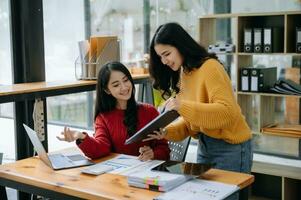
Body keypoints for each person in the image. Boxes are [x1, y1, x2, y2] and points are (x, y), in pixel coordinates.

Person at [146, 22, 253, 174]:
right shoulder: (185, 73)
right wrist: (165, 132)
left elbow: (227, 112)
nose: (164, 61)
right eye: (160, 57)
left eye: (167, 54)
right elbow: (192, 123)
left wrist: (181, 106)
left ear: (181, 46)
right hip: (205, 145)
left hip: (231, 147)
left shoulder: (210, 67)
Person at [57, 61, 170, 161]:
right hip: (118, 176)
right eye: (116, 85)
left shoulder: (149, 111)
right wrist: (81, 136)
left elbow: (164, 149)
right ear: (107, 90)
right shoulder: (103, 117)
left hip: (147, 175)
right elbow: (100, 149)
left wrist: (153, 154)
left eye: (126, 80)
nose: (124, 87)